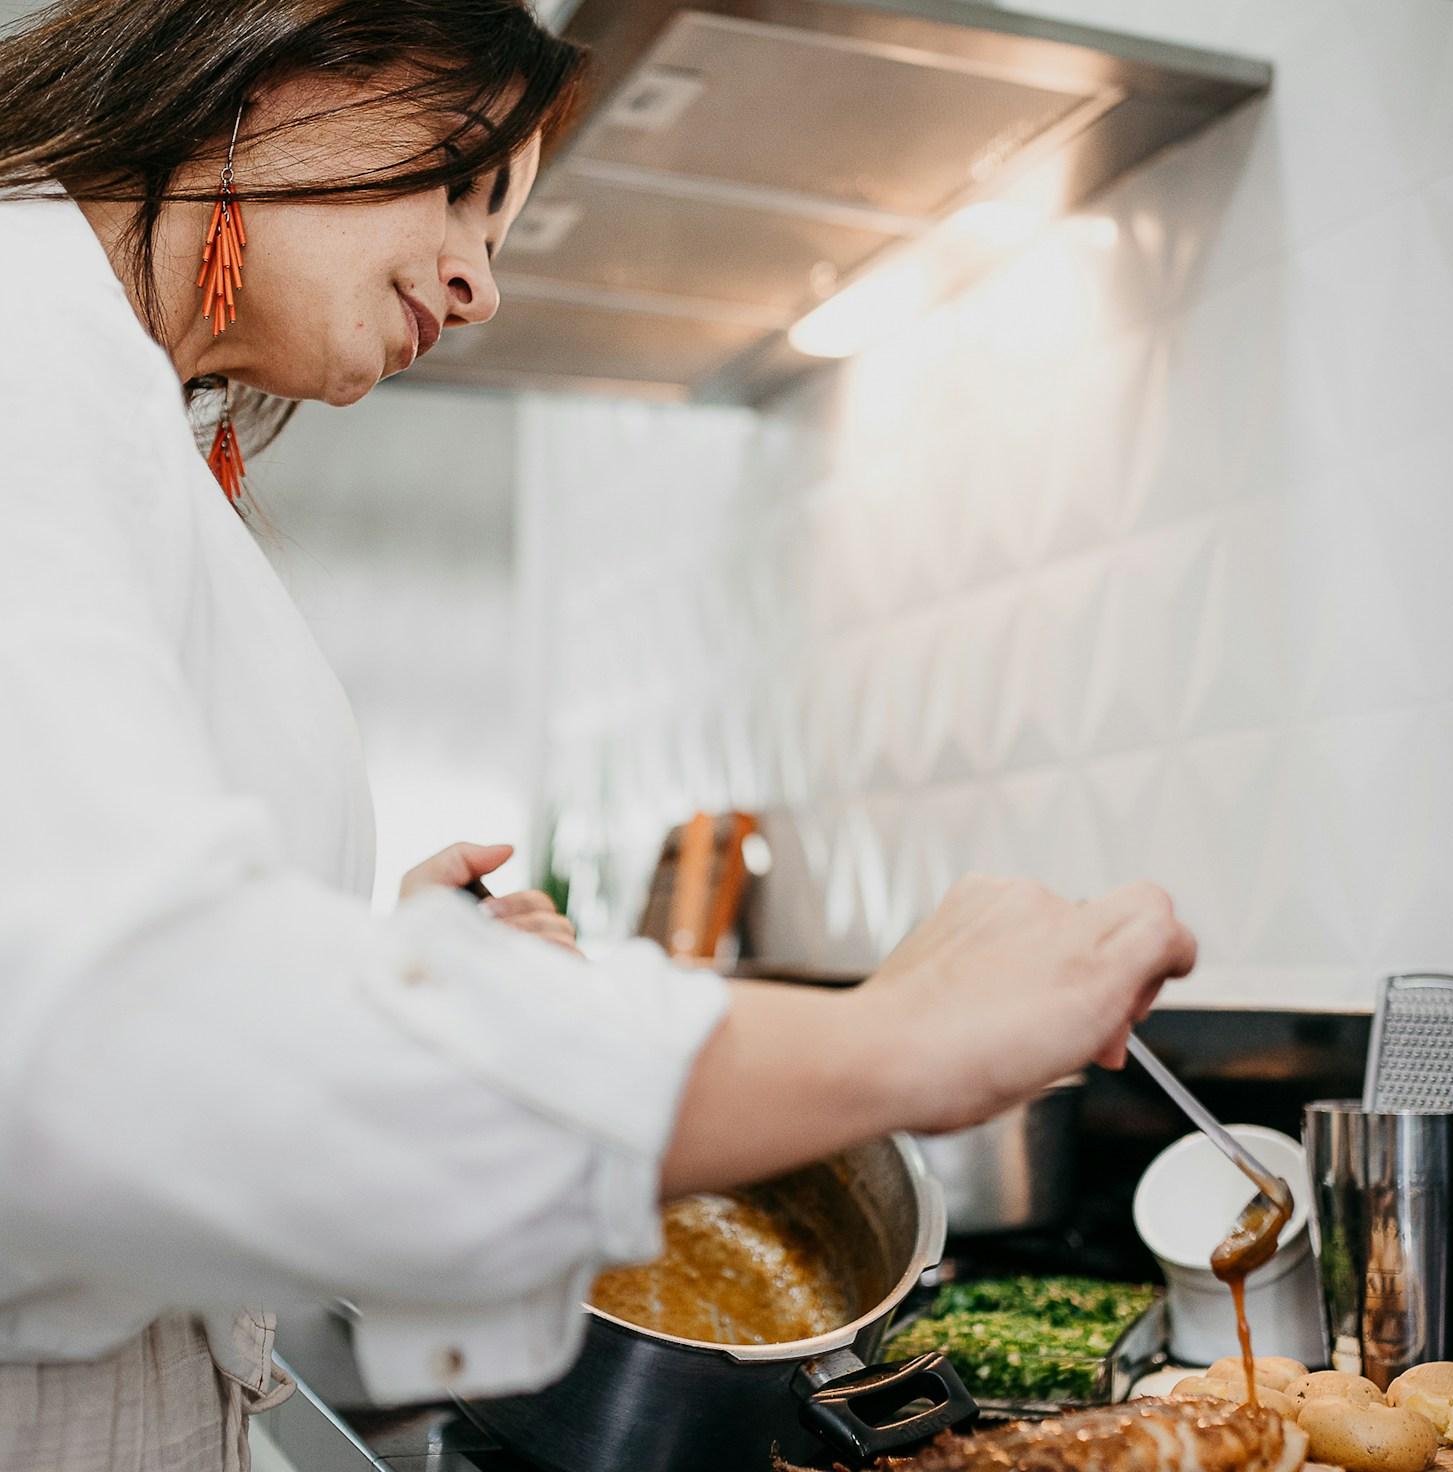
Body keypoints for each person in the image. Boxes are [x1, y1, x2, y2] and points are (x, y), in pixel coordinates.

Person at [0, 1, 1198, 1468]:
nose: (477, 282)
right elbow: (105, 1047)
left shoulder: (123, 414)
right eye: (462, 187)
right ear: (291, 60)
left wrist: (384, 965)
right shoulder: (19, 344)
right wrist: (903, 1038)